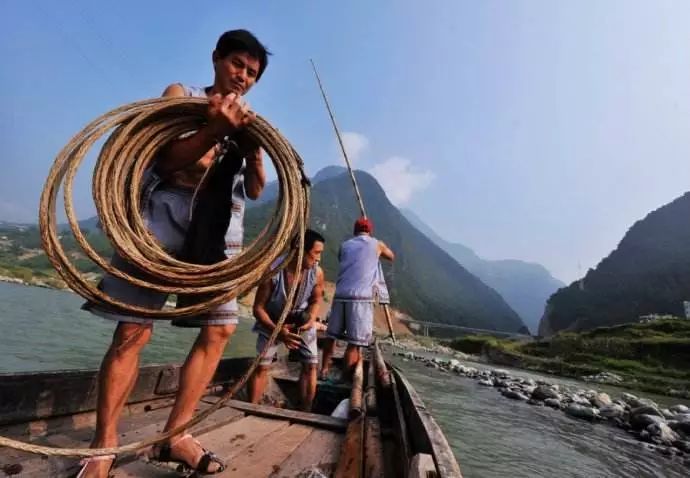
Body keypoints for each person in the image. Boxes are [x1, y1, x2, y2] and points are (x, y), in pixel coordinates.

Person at [77, 29, 270, 477]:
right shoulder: (181, 96)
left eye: (253, 73)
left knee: (220, 331)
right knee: (133, 331)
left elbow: (256, 190)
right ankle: (103, 446)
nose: (243, 77)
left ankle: (176, 435)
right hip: (159, 224)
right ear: (216, 59)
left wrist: (254, 152)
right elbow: (166, 161)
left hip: (216, 231)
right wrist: (213, 130)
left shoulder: (247, 121)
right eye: (237, 64)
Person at [248, 229, 325, 412]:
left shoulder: (317, 273)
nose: (318, 259)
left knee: (311, 364)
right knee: (262, 366)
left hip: (301, 321)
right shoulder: (272, 270)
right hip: (272, 321)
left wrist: (311, 320)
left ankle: (306, 411)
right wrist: (278, 331)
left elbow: (316, 301)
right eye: (316, 253)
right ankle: (251, 409)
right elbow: (258, 308)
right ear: (299, 249)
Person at [320, 217, 395, 380]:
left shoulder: (345, 245)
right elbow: (391, 256)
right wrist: (379, 249)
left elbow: (344, 259)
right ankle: (345, 378)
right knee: (354, 344)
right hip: (361, 298)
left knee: (331, 336)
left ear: (355, 231)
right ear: (370, 231)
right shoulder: (377, 244)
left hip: (340, 295)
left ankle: (324, 369)